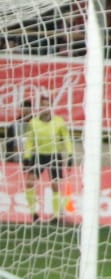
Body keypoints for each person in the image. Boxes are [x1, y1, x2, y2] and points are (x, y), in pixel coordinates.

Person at [20, 95, 75, 223]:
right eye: (42, 105)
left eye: (47, 105)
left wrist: (70, 154)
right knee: (29, 182)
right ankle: (34, 214)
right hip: (38, 155)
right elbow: (29, 141)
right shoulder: (33, 123)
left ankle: (56, 216)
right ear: (40, 108)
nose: (45, 108)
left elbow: (66, 138)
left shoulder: (59, 122)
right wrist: (27, 157)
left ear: (51, 107)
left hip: (54, 155)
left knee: (55, 185)